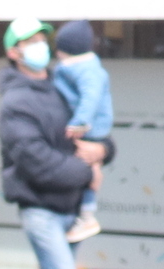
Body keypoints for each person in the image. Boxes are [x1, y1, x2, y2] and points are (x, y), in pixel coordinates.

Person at [0, 18, 107, 269]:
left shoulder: (63, 86)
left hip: (71, 211)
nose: (39, 47)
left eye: (41, 39)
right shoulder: (15, 102)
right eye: (29, 42)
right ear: (13, 52)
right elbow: (37, 163)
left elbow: (95, 131)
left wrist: (101, 150)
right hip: (40, 210)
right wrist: (89, 172)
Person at [51, 19, 111, 243]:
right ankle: (85, 215)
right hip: (89, 128)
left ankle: (87, 215)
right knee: (91, 169)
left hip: (90, 129)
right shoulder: (77, 69)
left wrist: (79, 123)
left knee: (90, 169)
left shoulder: (86, 71)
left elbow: (90, 98)